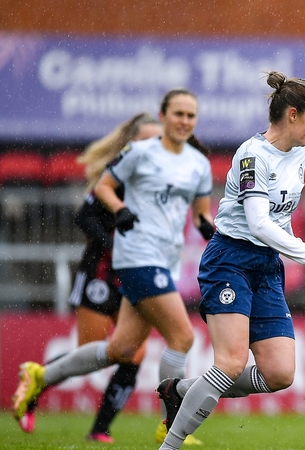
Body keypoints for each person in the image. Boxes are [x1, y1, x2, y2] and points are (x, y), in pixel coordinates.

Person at [11, 89, 214, 445]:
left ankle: (40, 376)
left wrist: (213, 232)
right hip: (136, 258)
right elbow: (103, 187)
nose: (184, 121)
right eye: (178, 113)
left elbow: (200, 215)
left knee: (119, 349)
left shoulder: (198, 164)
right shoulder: (138, 152)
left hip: (164, 261)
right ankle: (172, 427)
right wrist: (119, 210)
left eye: (190, 115)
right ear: (163, 115)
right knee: (181, 336)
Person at [155, 71, 305, 450]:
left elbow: (280, 218)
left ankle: (182, 390)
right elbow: (258, 222)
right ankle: (169, 446)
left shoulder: (300, 153)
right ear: (292, 114)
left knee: (279, 373)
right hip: (231, 260)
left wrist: (287, 253)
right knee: (230, 364)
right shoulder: (253, 155)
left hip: (266, 265)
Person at [16, 113, 163, 442]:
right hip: (101, 273)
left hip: (135, 275)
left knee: (133, 354)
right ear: (131, 143)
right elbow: (84, 216)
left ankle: (99, 431)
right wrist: (114, 244)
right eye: (146, 140)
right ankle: (34, 386)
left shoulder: (161, 180)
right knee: (95, 352)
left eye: (158, 141)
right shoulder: (116, 175)